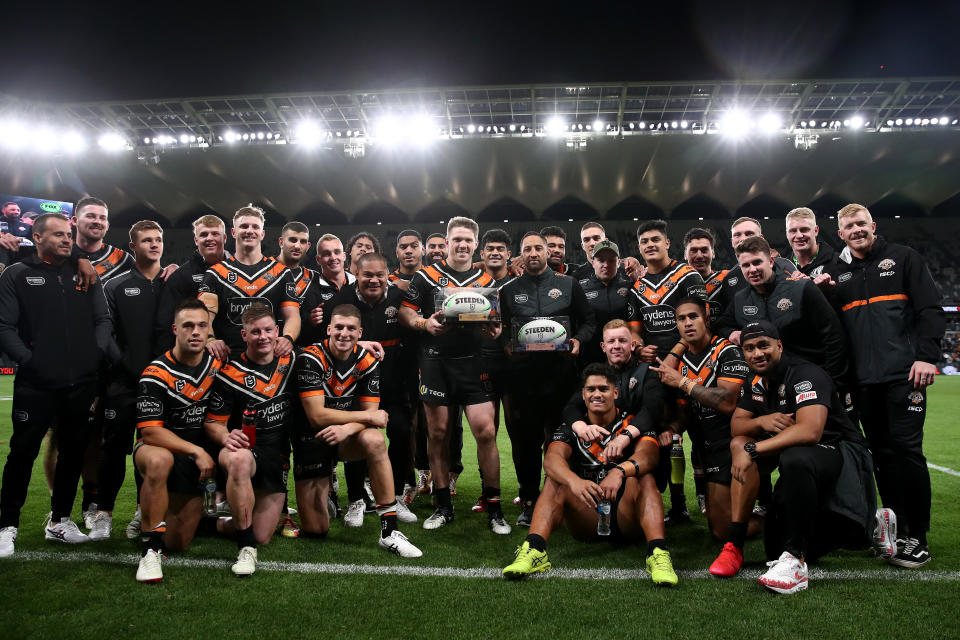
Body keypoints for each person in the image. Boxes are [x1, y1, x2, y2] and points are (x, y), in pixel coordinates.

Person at [825, 203, 945, 567]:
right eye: (849, 226)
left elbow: (930, 309)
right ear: (841, 234)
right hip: (863, 383)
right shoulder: (836, 274)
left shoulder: (904, 258)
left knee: (907, 452)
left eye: (862, 223)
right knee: (881, 456)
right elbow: (835, 334)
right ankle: (895, 529)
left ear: (873, 226)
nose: (857, 230)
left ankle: (918, 535)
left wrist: (926, 356)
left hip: (904, 376)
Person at [721, 321, 875, 593]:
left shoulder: (805, 374)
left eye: (763, 345)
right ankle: (735, 544)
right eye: (749, 348)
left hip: (840, 451)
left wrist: (752, 450)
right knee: (740, 442)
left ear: (779, 346)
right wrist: (762, 423)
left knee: (793, 457)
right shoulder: (754, 380)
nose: (757, 353)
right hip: (799, 457)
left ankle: (796, 560)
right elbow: (737, 425)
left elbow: (811, 431)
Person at [501, 363, 678, 586]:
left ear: (615, 393)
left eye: (603, 389)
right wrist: (574, 482)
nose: (597, 394)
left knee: (644, 477)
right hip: (586, 516)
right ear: (583, 395)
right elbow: (552, 459)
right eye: (591, 389)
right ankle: (534, 550)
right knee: (556, 480)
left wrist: (620, 471)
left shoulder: (632, 423)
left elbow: (649, 455)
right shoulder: (574, 427)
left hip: (627, 516)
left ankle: (658, 553)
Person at [0, 213, 112, 557]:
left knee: (72, 453)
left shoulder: (84, 273)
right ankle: (7, 526)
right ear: (37, 236)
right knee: (22, 452)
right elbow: (4, 326)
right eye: (59, 235)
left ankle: (60, 521)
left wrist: (93, 355)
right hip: (36, 383)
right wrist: (32, 362)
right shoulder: (18, 275)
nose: (68, 239)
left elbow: (102, 319)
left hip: (80, 382)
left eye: (69, 235)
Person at [399, 216, 509, 534]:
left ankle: (494, 506)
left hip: (474, 363)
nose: (462, 245)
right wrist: (423, 324)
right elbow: (406, 311)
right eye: (456, 239)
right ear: (447, 243)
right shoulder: (425, 276)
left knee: (485, 432)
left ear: (475, 245)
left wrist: (495, 330)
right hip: (435, 362)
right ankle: (443, 505)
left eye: (467, 240)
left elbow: (495, 321)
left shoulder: (486, 278)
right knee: (438, 433)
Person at [295, 304, 422, 558]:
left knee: (374, 439)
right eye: (338, 327)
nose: (344, 333)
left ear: (360, 332)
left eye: (351, 328)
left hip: (344, 436)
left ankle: (389, 531)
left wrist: (348, 428)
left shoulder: (367, 361)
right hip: (311, 438)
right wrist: (363, 418)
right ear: (328, 329)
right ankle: (327, 491)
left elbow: (372, 416)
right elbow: (317, 415)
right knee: (316, 529)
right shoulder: (310, 359)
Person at [498, 231, 597, 525]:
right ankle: (529, 500)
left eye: (538, 248)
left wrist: (578, 340)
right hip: (523, 379)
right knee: (525, 444)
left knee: (560, 441)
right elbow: (501, 327)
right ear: (520, 254)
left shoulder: (568, 285)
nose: (532, 253)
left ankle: (562, 497)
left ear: (546, 252)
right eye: (526, 249)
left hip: (562, 377)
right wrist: (507, 345)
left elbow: (589, 322)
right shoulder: (509, 289)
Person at [320, 253, 418, 525]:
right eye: (367, 275)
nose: (374, 280)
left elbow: (413, 336)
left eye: (379, 275)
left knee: (400, 434)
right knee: (359, 439)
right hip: (355, 387)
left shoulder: (400, 298)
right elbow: (329, 338)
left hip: (395, 384)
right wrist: (359, 345)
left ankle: (396, 497)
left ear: (388, 275)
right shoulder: (341, 300)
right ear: (356, 274)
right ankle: (356, 500)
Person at [131, 298, 223, 582]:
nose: (195, 332)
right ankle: (150, 552)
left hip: (195, 460)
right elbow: (150, 432)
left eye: (201, 326)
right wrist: (196, 450)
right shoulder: (155, 373)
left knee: (180, 543)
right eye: (188, 326)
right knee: (160, 459)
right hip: (159, 449)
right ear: (175, 330)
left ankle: (170, 513)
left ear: (209, 330)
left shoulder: (218, 367)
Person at [650, 298, 753, 543]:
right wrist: (673, 429)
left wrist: (683, 382)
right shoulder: (683, 359)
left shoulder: (727, 351)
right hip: (703, 444)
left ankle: (777, 517)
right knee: (717, 526)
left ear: (706, 319)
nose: (687, 323)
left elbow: (727, 401)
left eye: (693, 317)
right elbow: (684, 407)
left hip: (732, 442)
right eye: (681, 319)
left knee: (723, 531)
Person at [203, 304, 295, 576]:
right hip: (242, 451)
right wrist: (225, 435)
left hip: (276, 456)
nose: (263, 337)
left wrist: (366, 342)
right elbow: (212, 423)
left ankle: (207, 521)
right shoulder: (229, 373)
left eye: (268, 330)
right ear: (244, 335)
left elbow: (330, 349)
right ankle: (245, 548)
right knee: (241, 460)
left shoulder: (291, 361)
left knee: (263, 534)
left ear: (277, 331)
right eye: (255, 332)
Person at [91, 221, 168, 542]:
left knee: (152, 449)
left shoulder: (172, 283)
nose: (154, 244)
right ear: (132, 246)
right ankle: (103, 514)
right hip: (123, 383)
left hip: (164, 386)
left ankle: (142, 512)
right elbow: (104, 335)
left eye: (159, 239)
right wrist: (126, 367)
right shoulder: (116, 285)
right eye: (146, 240)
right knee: (112, 450)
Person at [721, 236, 848, 384]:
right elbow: (720, 325)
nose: (752, 269)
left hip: (810, 376)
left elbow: (834, 336)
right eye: (746, 265)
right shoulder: (740, 299)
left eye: (757, 262)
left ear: (770, 261)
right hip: (769, 383)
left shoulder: (802, 288)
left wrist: (835, 383)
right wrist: (731, 333)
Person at [198, 205, 301, 360]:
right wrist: (210, 339)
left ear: (262, 233)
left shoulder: (281, 273)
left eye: (255, 227)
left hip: (270, 359)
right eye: (244, 226)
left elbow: (293, 315)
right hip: (228, 360)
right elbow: (204, 316)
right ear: (233, 232)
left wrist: (288, 337)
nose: (249, 231)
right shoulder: (215, 273)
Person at [473, 228, 517, 513]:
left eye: (501, 248)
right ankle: (486, 492)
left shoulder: (519, 284)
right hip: (483, 364)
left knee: (518, 431)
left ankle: (527, 491)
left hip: (514, 367)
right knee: (486, 431)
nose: (495, 253)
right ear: (482, 253)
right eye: (490, 248)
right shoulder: (472, 284)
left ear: (509, 254)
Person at [627, 219, 707, 363]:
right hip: (653, 363)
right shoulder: (636, 288)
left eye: (655, 239)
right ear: (639, 248)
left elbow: (703, 322)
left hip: (690, 359)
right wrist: (639, 349)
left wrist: (674, 355)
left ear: (667, 243)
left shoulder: (688, 276)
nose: (650, 244)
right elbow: (635, 332)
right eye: (644, 242)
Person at [154, 214, 228, 353]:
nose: (209, 238)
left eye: (215, 234)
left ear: (224, 238)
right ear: (196, 240)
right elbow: (165, 326)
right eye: (204, 234)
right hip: (196, 359)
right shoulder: (180, 277)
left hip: (234, 355)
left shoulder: (240, 270)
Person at [712, 216, 797, 336]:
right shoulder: (729, 279)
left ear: (761, 238)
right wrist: (731, 333)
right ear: (732, 241)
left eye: (749, 233)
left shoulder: (784, 265)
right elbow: (724, 322)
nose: (743, 239)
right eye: (737, 235)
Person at [577, 239, 633, 366]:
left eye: (611, 260)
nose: (606, 265)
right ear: (592, 262)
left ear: (619, 263)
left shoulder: (630, 286)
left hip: (623, 357)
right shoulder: (580, 289)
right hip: (590, 358)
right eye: (601, 260)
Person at [296, 233, 357, 348]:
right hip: (324, 354)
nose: (333, 257)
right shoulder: (309, 289)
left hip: (356, 352)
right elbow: (301, 336)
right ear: (318, 259)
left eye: (337, 252)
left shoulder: (358, 284)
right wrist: (310, 322)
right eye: (326, 254)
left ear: (344, 256)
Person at [683, 227, 729, 320]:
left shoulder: (727, 278)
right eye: (694, 250)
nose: (699, 255)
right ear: (685, 255)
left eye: (704, 250)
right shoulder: (677, 284)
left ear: (713, 253)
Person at [784, 207, 835, 277]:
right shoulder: (782, 268)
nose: (799, 235)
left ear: (816, 231)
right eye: (793, 231)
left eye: (804, 229)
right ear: (787, 234)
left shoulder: (838, 262)